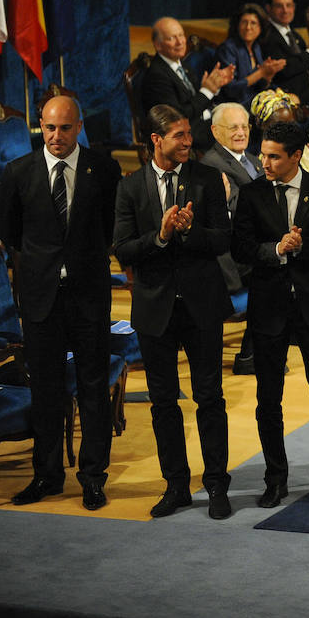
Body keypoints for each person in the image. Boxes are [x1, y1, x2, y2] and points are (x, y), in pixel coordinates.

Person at [0, 95, 121, 511]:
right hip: (41, 301)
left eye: (64, 128)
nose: (56, 136)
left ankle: (92, 478)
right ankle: (47, 477)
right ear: (41, 127)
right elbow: (13, 235)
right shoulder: (18, 173)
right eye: (48, 128)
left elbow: (109, 229)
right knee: (46, 392)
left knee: (92, 389)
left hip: (88, 297)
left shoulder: (103, 169)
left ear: (79, 126)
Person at [113, 105, 234, 519]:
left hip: (202, 306)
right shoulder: (130, 187)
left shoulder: (206, 179)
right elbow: (123, 249)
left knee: (209, 398)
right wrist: (161, 236)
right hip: (154, 309)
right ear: (156, 140)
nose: (188, 142)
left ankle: (216, 484)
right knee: (164, 402)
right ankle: (176, 485)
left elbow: (222, 240)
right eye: (180, 136)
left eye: (188, 135)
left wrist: (190, 231)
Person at [231, 121, 309, 512]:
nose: (264, 161)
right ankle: (274, 480)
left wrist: (302, 246)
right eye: (263, 154)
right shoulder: (251, 194)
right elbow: (242, 249)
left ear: (296, 156)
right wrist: (277, 248)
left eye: (274, 156)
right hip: (268, 309)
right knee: (268, 402)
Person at [202, 102, 259, 373]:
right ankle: (250, 355)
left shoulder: (253, 159)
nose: (240, 132)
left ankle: (258, 351)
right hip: (233, 257)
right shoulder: (213, 165)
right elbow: (237, 206)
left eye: (244, 126)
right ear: (215, 131)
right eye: (233, 127)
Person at [140, 17, 234, 151]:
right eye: (172, 38)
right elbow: (177, 117)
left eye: (181, 35)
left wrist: (215, 85)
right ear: (158, 45)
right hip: (184, 134)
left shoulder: (183, 65)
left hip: (201, 123)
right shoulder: (156, 76)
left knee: (240, 115)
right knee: (236, 128)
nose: (180, 42)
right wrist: (207, 91)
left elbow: (196, 102)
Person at [261, 0, 309, 108]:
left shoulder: (294, 34)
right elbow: (285, 70)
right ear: (268, 8)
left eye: (289, 5)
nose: (285, 10)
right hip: (292, 98)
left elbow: (307, 62)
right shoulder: (266, 36)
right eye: (279, 6)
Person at [215, 3, 285, 107]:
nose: (248, 27)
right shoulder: (228, 48)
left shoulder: (255, 47)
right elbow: (231, 90)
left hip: (253, 100)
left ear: (261, 28)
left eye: (253, 23)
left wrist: (268, 76)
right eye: (244, 22)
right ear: (237, 25)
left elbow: (258, 86)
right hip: (234, 105)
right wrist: (261, 72)